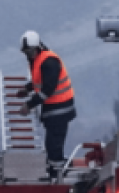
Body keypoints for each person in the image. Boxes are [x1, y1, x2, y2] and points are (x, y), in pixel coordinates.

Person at [15, 30, 77, 172]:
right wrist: (28, 88)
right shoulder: (39, 60)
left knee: (54, 143)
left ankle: (57, 171)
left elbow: (47, 89)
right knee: (51, 143)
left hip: (60, 108)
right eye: (25, 52)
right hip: (53, 109)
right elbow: (41, 80)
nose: (27, 55)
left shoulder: (49, 62)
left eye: (29, 52)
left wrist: (29, 104)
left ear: (37, 48)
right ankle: (54, 168)